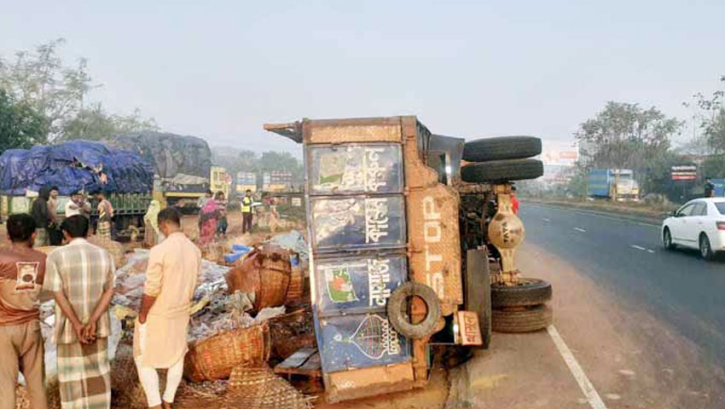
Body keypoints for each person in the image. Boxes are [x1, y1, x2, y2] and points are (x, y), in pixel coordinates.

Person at [44, 215, 115, 409]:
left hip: (69, 328)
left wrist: (76, 323)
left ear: (65, 234)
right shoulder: (104, 255)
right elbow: (109, 290)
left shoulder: (56, 256)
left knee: (71, 378)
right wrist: (92, 320)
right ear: (89, 232)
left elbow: (57, 293)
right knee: (98, 373)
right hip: (97, 327)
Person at [134, 208, 200, 409]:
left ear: (163, 225)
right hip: (181, 311)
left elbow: (152, 289)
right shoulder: (194, 250)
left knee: (143, 358)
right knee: (176, 356)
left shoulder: (159, 251)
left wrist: (143, 314)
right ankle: (168, 401)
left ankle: (154, 404)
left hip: (158, 313)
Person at [0, 214, 48, 409]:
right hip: (32, 328)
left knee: (5, 388)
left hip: (4, 329)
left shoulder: (2, 257)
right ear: (34, 235)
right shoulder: (43, 260)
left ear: (8, 236)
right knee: (37, 386)